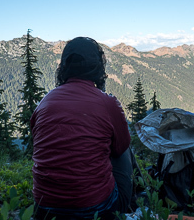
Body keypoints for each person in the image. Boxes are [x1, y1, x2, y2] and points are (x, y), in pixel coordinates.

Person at [31, 37, 139, 219]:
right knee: (123, 147)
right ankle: (137, 202)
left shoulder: (44, 103)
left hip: (44, 209)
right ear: (98, 66)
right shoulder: (107, 103)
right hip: (96, 209)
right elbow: (120, 148)